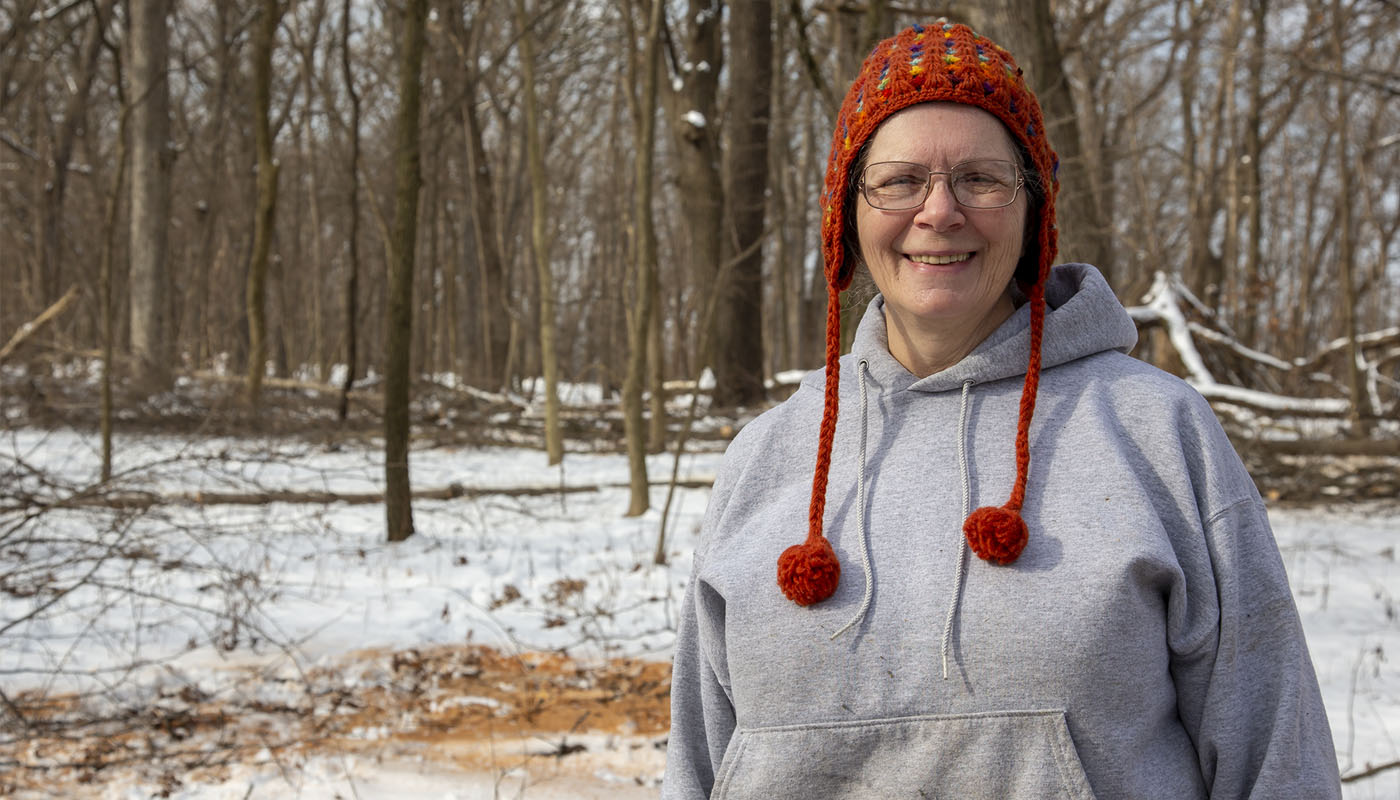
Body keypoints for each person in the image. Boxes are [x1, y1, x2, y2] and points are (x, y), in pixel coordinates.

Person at [662, 20, 1341, 799]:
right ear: (848, 212)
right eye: (899, 180)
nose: (940, 211)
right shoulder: (767, 454)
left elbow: (1277, 757)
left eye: (981, 179)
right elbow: (699, 763)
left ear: (1032, 213)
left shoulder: (1158, 431)